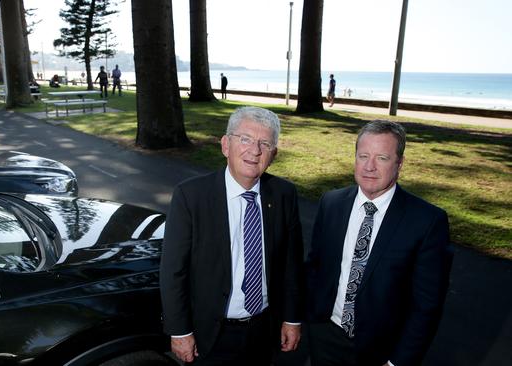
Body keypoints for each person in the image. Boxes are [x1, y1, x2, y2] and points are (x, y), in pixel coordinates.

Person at [160, 106, 305, 365]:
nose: (255, 150)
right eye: (245, 139)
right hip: (210, 334)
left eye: (265, 143)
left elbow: (291, 264)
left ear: (274, 154)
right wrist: (180, 331)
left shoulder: (284, 195)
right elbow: (173, 270)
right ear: (226, 145)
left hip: (264, 331)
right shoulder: (191, 196)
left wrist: (292, 319)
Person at [305, 120, 453, 366]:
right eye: (363, 156)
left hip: (381, 350)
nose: (369, 167)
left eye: (382, 158)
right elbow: (315, 266)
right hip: (325, 335)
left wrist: (398, 361)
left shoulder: (427, 221)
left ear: (399, 163)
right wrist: (308, 319)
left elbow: (426, 305)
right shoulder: (331, 203)